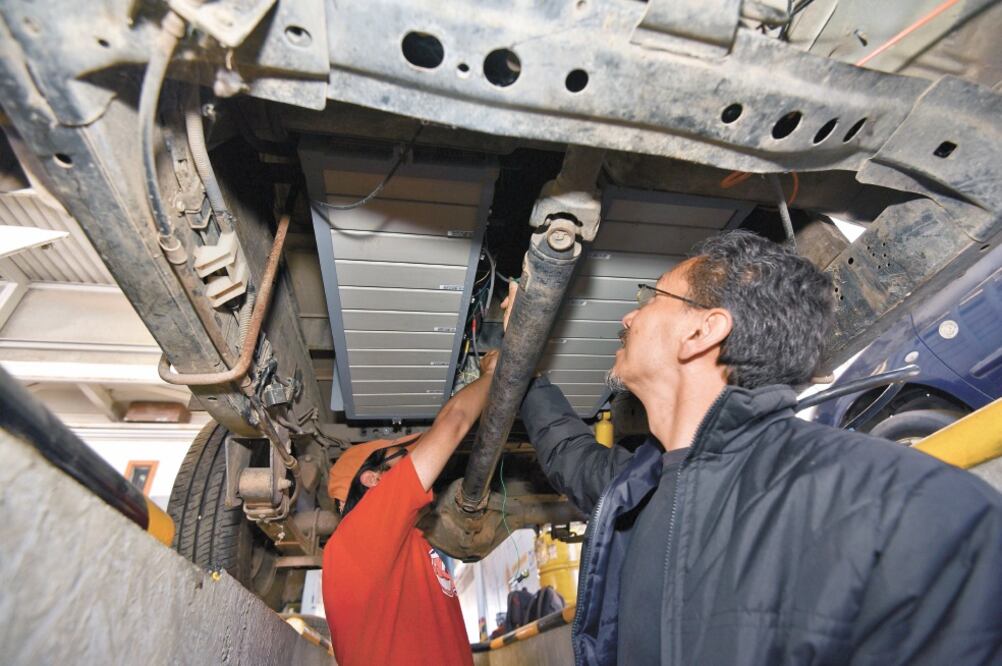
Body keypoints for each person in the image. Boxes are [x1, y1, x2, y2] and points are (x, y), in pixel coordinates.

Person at [507, 230, 1002, 665]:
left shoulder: (912, 510)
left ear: (702, 331)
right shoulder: (638, 490)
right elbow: (571, 455)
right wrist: (522, 365)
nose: (630, 315)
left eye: (651, 297)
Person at [322, 350, 498, 666]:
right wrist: (493, 374)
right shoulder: (361, 530)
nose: (412, 464)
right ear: (372, 479)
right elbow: (454, 421)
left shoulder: (386, 542)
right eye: (400, 459)